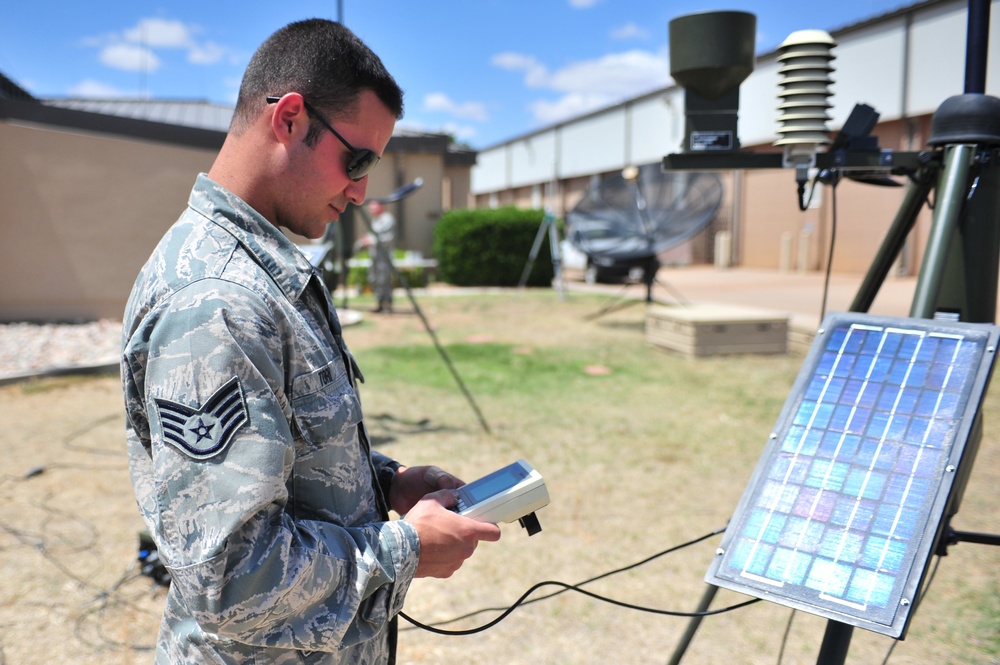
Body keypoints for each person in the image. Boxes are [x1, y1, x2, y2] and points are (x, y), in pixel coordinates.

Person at [120, 19, 500, 664]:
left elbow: (284, 461)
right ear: (290, 119)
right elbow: (233, 579)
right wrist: (407, 548)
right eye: (357, 161)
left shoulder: (260, 274)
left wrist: (386, 485)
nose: (360, 190)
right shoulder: (219, 300)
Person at [366, 200, 396, 312]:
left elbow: (388, 237)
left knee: (384, 280)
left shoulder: (387, 219)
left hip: (384, 257)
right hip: (375, 256)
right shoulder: (375, 220)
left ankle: (387, 305)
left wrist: (372, 241)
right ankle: (379, 304)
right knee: (375, 279)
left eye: (373, 207)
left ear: (381, 207)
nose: (371, 210)